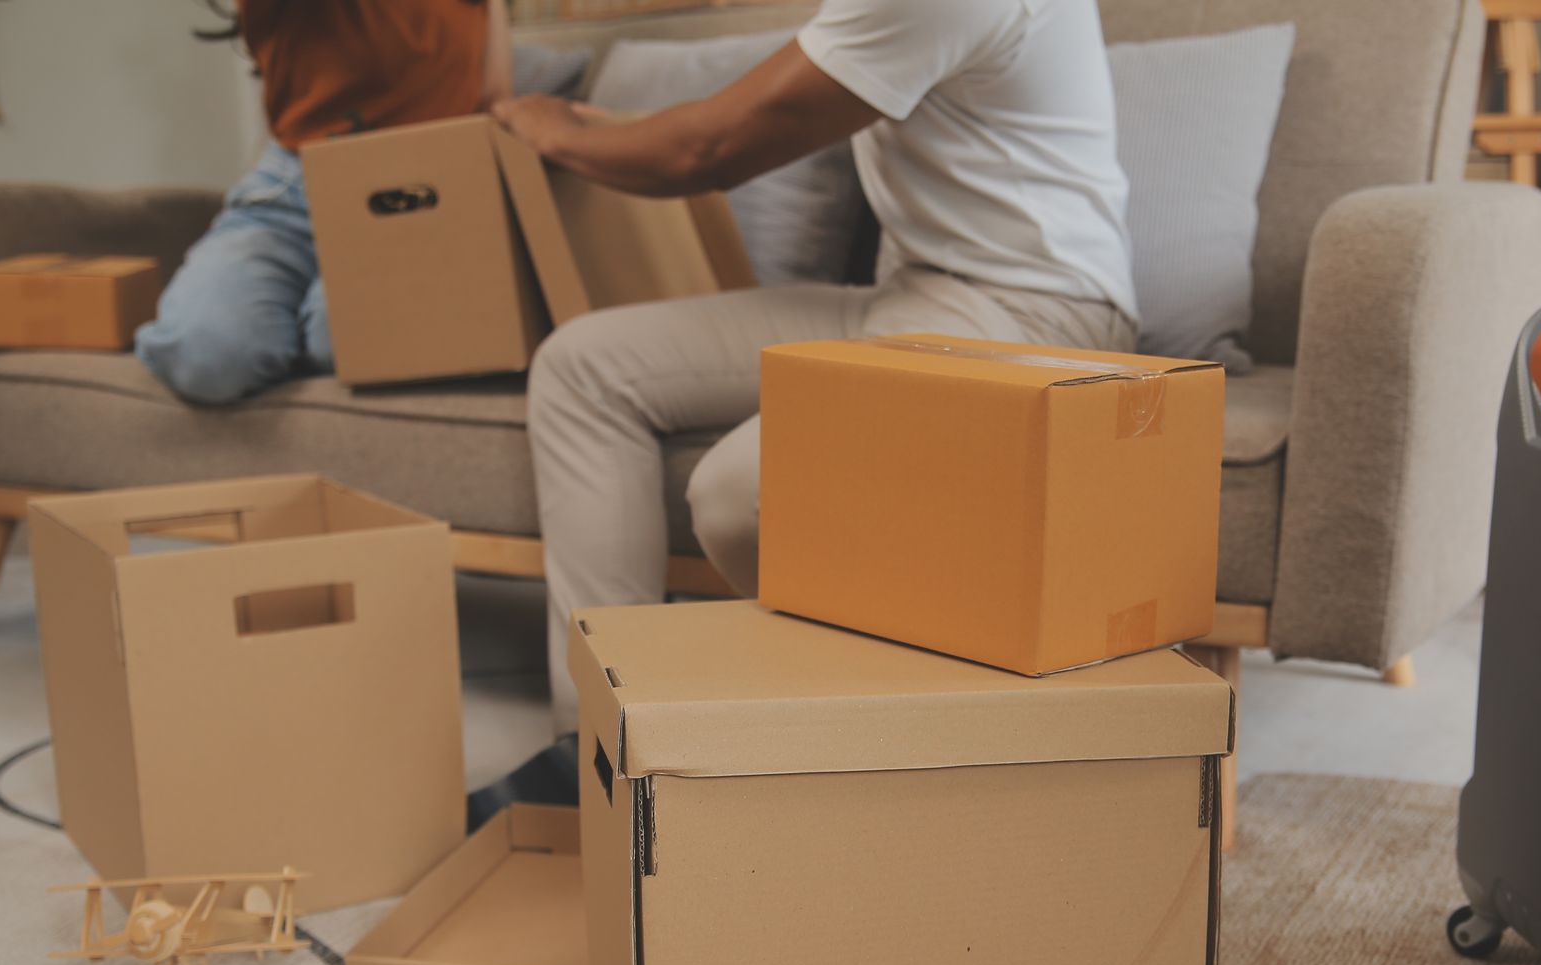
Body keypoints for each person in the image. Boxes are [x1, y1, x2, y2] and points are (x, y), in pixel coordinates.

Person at [473, 0, 1137, 819]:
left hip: (1039, 316)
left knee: (746, 492)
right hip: (916, 295)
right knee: (584, 367)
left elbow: (707, 146)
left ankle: (847, 776)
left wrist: (555, 129)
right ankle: (605, 755)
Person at [136, 0, 512, 406]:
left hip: (415, 188)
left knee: (343, 338)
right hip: (289, 185)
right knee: (206, 354)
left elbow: (493, 98)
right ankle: (279, 328)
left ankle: (296, 328)